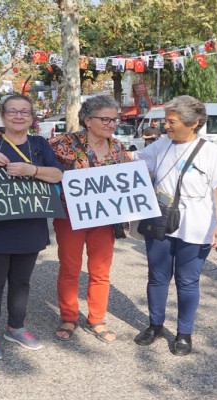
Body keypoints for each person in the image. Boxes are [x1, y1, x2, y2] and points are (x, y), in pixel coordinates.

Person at [132, 95, 217, 356]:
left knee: (187, 282)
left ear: (194, 123)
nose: (165, 126)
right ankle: (155, 326)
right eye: (166, 121)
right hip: (160, 221)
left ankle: (184, 333)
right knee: (157, 277)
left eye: (171, 121)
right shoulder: (160, 146)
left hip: (197, 225)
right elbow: (135, 162)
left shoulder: (211, 152)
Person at [0, 94, 64, 360]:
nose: (19, 116)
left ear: (32, 117)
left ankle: (16, 327)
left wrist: (31, 170)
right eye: (13, 111)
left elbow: (58, 174)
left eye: (25, 112)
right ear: (2, 115)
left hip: (29, 225)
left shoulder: (39, 144)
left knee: (21, 282)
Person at [48, 95, 130, 343]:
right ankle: (69, 317)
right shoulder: (61, 144)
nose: (111, 124)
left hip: (105, 220)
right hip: (70, 218)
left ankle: (97, 319)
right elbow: (33, 154)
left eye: (114, 119)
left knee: (101, 271)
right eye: (105, 119)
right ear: (87, 120)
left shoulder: (118, 148)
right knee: (70, 268)